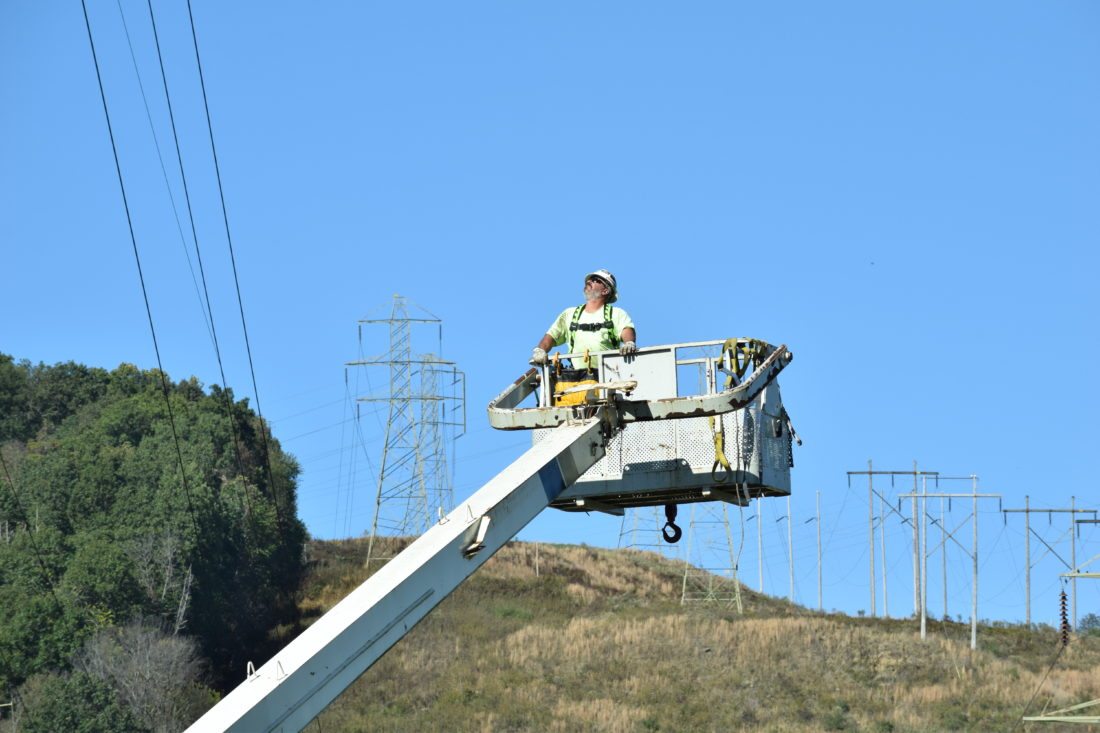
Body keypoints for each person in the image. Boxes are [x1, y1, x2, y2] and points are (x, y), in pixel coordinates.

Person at [532, 269, 636, 371]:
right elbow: (551, 336)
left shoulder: (616, 313)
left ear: (605, 290)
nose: (589, 281)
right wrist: (540, 350)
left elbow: (626, 330)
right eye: (590, 279)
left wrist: (629, 343)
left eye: (596, 280)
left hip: (607, 377)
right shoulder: (570, 314)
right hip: (577, 380)